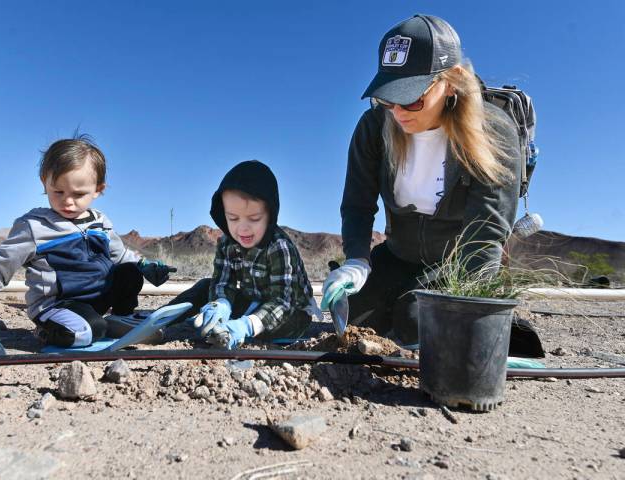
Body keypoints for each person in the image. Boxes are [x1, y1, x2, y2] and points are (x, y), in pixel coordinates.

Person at [321, 14, 521, 346]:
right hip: (399, 255)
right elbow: (357, 205)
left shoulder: (493, 132)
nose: (398, 111)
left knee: (416, 322)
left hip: (456, 264)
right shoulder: (373, 129)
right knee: (351, 315)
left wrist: (469, 303)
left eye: (412, 97)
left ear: (452, 80)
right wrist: (356, 261)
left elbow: (484, 236)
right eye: (388, 97)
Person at [0, 135, 175, 347]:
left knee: (128, 272)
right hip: (59, 305)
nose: (68, 201)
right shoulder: (34, 226)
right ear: (44, 182)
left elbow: (120, 255)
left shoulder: (101, 221)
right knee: (85, 333)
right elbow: (0, 262)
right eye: (58, 192)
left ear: (98, 189)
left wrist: (145, 266)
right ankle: (51, 329)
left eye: (79, 194)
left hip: (97, 299)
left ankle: (120, 319)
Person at [166, 160, 320, 349]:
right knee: (205, 286)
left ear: (270, 215)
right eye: (233, 218)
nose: (243, 228)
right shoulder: (226, 243)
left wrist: (247, 325)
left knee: (274, 320)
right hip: (252, 300)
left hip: (290, 314)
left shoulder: (279, 247)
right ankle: (160, 322)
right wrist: (220, 303)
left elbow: (282, 303)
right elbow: (223, 282)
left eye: (254, 218)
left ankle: (232, 330)